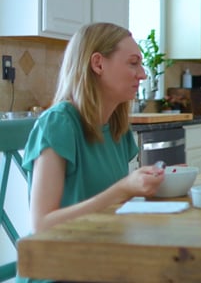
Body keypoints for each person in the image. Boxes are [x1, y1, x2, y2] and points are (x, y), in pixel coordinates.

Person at [18, 22, 166, 282]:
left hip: (101, 261)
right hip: (57, 271)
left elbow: (118, 204)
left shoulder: (117, 126)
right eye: (133, 63)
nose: (142, 74)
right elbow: (41, 225)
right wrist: (123, 189)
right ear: (98, 64)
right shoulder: (60, 123)